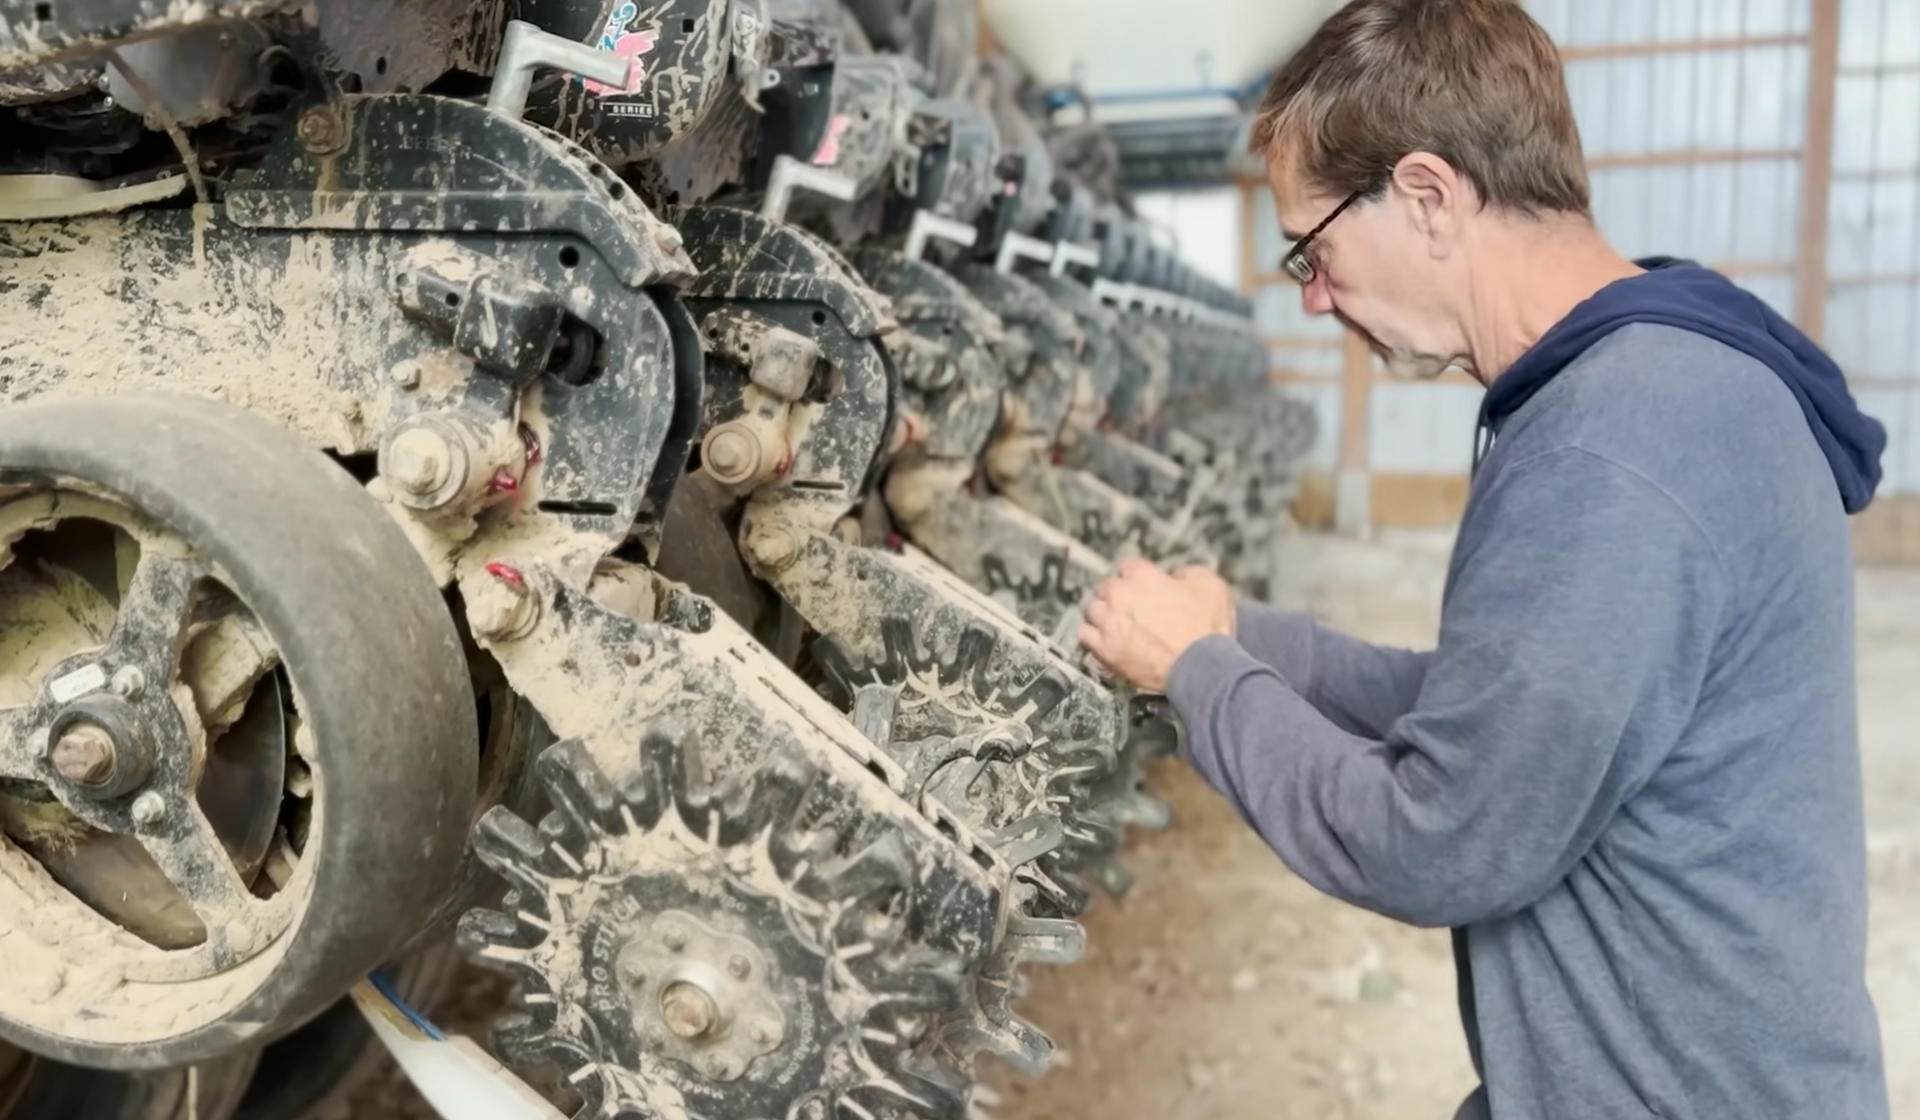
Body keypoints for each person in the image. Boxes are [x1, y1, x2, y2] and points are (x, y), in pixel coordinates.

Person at [1075, 1, 1892, 1118]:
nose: (1312, 297)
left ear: (1426, 196)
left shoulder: (1613, 453)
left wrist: (1198, 676)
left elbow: (1439, 836)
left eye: (1311, 249)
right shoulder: (1664, 385)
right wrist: (1247, 636)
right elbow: (1516, 714)